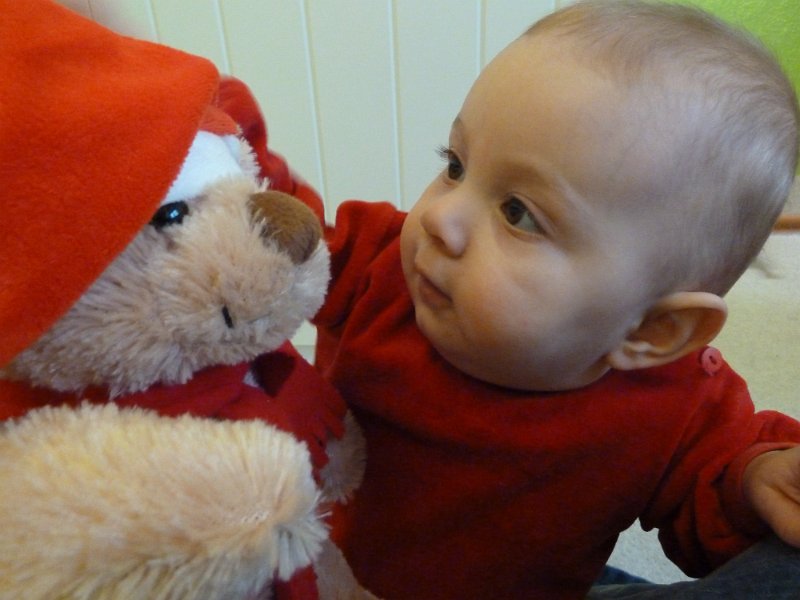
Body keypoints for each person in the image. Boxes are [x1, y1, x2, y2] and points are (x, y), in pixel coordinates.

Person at [226, 1, 800, 597]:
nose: (440, 218)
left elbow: (712, 493)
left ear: (651, 331)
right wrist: (217, 157)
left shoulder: (676, 406)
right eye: (455, 165)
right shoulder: (382, 267)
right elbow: (277, 237)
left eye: (518, 213)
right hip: (316, 572)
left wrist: (756, 478)